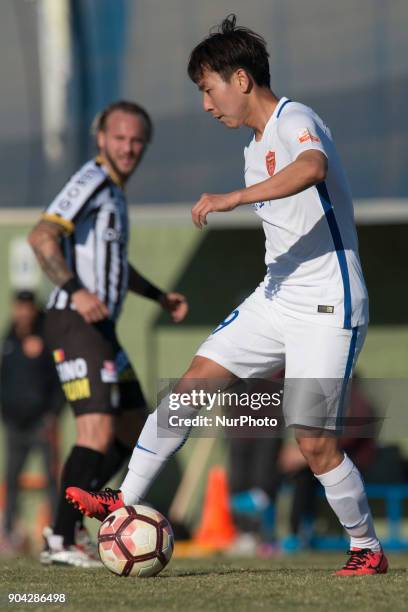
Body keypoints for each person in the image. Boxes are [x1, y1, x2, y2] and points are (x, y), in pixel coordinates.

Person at [66, 17, 388, 575]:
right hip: (276, 297)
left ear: (240, 80)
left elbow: (313, 168)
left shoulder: (296, 119)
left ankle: (366, 547)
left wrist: (234, 197)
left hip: (328, 302)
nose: (207, 105)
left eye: (208, 90)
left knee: (313, 443)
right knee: (188, 389)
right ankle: (122, 500)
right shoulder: (251, 146)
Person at [28, 101, 188, 566]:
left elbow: (114, 266)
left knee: (135, 428)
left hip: (102, 329)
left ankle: (77, 519)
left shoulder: (115, 193)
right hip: (75, 322)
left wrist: (158, 296)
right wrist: (76, 291)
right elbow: (41, 236)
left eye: (137, 140)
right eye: (119, 138)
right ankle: (60, 538)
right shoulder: (92, 180)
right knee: (94, 432)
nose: (128, 147)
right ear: (102, 139)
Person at [0, 291, 64, 554]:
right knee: (12, 478)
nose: (23, 313)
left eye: (27, 308)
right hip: (15, 424)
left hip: (41, 423)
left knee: (52, 478)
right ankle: (8, 534)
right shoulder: (9, 339)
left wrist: (53, 414)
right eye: (19, 308)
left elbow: (61, 380)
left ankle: (58, 534)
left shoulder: (47, 339)